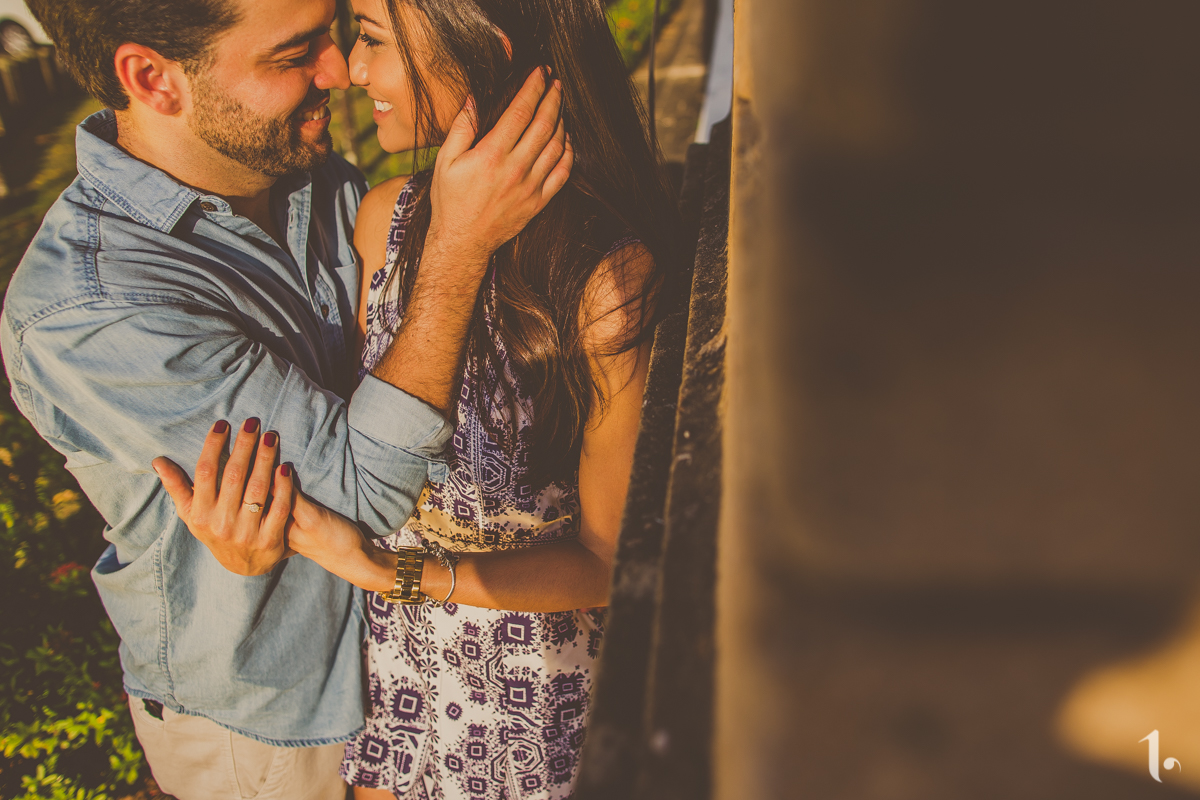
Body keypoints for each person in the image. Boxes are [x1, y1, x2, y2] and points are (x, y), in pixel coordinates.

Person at [1, 0, 572, 797]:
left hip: (410, 654)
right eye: (294, 53)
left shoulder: (310, 179)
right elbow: (363, 491)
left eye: (337, 32)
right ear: (151, 79)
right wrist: (457, 247)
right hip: (276, 715)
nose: (339, 71)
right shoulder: (94, 307)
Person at [156, 0, 680, 796]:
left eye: (369, 38)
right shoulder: (384, 222)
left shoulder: (601, 281)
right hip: (398, 683)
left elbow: (609, 562)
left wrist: (390, 574)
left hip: (534, 707)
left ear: (481, 55)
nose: (352, 70)